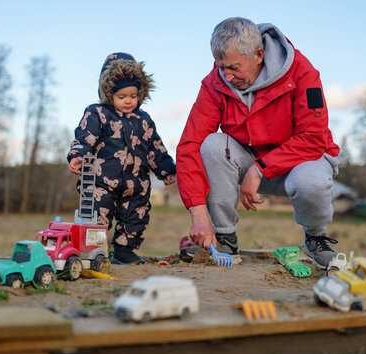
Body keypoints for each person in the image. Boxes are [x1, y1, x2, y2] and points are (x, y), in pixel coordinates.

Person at [176, 17, 341, 269]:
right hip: (249, 161)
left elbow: (314, 137)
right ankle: (225, 237)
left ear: (259, 54)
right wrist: (197, 211)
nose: (227, 77)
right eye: (221, 67)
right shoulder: (215, 83)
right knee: (211, 144)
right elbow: (190, 144)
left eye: (234, 68)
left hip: (300, 164)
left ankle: (316, 238)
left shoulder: (301, 71)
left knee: (311, 180)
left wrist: (260, 168)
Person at [68, 52, 176, 265]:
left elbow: (155, 146)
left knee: (136, 215)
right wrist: (77, 156)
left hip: (136, 183)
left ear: (141, 94)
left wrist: (167, 170)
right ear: (109, 93)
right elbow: (84, 138)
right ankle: (93, 252)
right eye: (122, 96)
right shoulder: (97, 113)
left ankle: (124, 252)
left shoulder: (143, 119)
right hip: (101, 182)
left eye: (133, 96)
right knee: (96, 217)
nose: (129, 101)